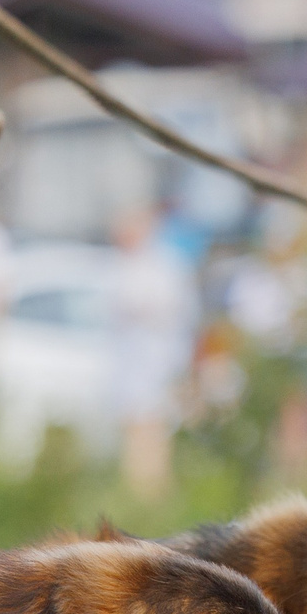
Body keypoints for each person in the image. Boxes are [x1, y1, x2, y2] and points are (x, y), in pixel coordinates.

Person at [107, 204, 197, 496]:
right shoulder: (126, 265)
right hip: (132, 362)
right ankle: (136, 488)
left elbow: (170, 311)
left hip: (156, 361)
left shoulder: (163, 265)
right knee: (134, 426)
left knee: (153, 426)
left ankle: (152, 490)